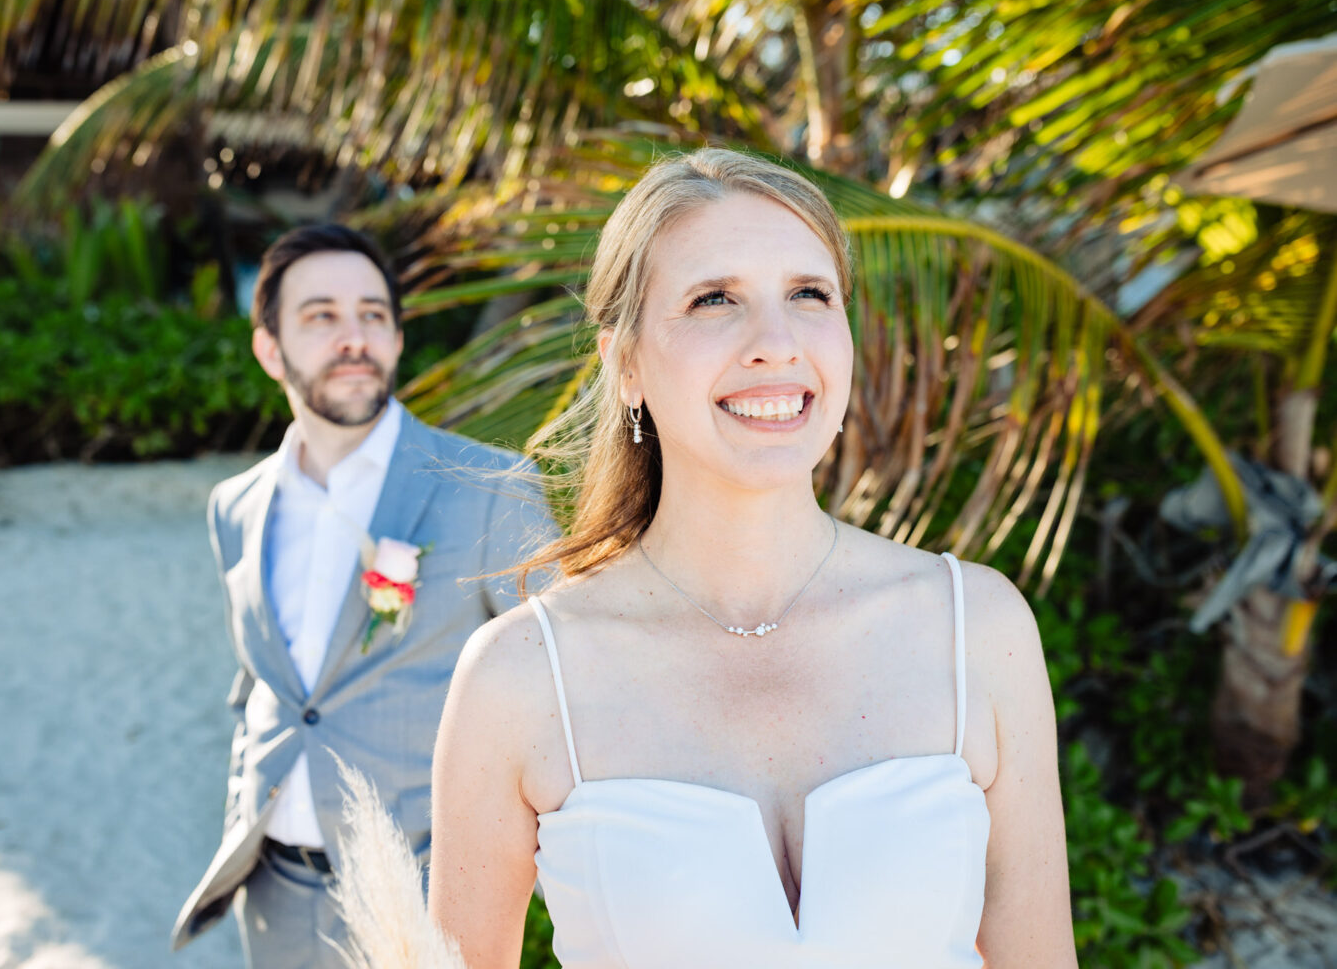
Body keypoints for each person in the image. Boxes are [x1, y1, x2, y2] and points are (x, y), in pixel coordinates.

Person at [429, 150, 1077, 967]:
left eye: (810, 294)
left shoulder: (977, 628)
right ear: (624, 363)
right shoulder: (521, 676)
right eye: (714, 300)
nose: (777, 343)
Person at [170, 223, 554, 968]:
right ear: (269, 348)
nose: (355, 337)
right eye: (322, 316)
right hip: (272, 893)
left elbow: (562, 687)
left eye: (374, 315)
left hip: (424, 898)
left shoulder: (488, 489)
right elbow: (261, 682)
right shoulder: (235, 507)